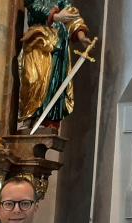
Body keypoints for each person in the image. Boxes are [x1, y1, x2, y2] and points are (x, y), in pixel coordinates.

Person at [18, 0, 91, 130]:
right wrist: (56, 16)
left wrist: (81, 36)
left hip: (59, 43)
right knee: (33, 78)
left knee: (54, 82)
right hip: (38, 39)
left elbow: (73, 16)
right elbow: (33, 5)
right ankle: (29, 116)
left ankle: (46, 120)